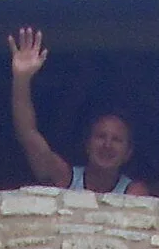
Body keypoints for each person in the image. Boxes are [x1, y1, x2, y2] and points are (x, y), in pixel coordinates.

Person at [8, 27, 148, 196]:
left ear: (128, 153)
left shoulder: (134, 192)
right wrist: (21, 78)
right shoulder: (65, 178)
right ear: (87, 144)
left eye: (117, 139)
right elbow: (28, 134)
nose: (107, 145)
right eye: (100, 136)